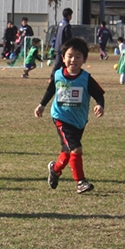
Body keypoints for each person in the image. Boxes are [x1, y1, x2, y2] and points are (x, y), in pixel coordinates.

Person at [34, 38, 104, 194]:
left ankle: (55, 169)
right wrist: (42, 105)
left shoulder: (86, 78)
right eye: (70, 56)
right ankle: (80, 182)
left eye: (78, 56)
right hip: (61, 118)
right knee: (76, 149)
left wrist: (100, 105)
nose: (73, 60)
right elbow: (50, 90)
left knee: (67, 151)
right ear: (63, 58)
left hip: (79, 120)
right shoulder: (58, 75)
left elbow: (98, 94)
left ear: (84, 59)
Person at [51, 8, 73, 76]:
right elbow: (68, 38)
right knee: (58, 64)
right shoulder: (67, 25)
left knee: (65, 64)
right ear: (69, 16)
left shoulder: (60, 23)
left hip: (58, 46)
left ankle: (65, 76)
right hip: (63, 47)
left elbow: (55, 35)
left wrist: (54, 44)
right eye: (71, 15)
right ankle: (52, 77)